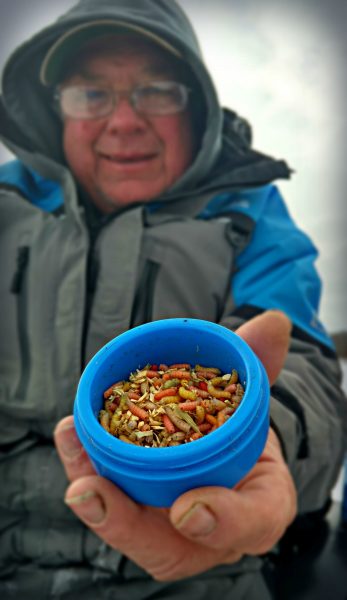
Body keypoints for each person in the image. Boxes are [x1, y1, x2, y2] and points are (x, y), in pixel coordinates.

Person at [0, 1, 346, 599]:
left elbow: (306, 366)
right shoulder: (7, 212)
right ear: (55, 111)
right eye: (91, 94)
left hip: (211, 571)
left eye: (157, 91)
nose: (125, 120)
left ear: (198, 109)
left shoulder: (251, 217)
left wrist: (265, 436)